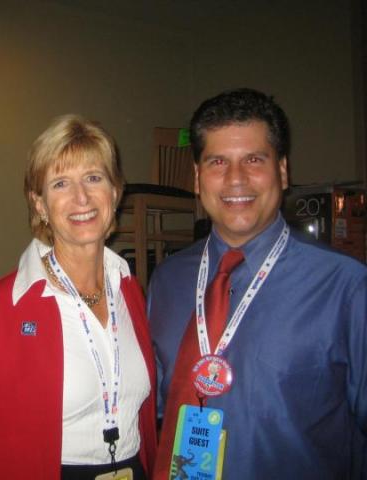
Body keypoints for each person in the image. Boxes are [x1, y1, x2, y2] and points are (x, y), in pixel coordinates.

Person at [148, 88, 367, 479]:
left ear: (282, 170)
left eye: (254, 159)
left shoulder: (346, 286)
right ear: (197, 178)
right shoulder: (166, 281)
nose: (236, 179)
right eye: (218, 162)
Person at [0, 114, 157, 479]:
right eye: (60, 183)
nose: (82, 197)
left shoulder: (129, 289)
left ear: (116, 192)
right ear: (39, 203)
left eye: (94, 177)